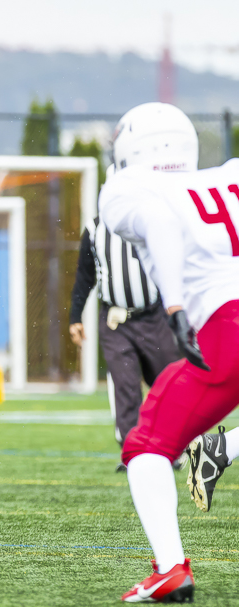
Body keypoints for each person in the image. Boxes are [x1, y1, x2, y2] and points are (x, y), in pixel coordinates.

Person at [99, 102, 239, 603]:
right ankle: (227, 448)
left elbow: (158, 217)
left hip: (226, 326)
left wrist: (176, 306)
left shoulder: (127, 189)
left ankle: (170, 568)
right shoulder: (231, 175)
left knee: (146, 445)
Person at [69, 216, 179, 471]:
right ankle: (133, 453)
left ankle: (170, 446)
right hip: (114, 320)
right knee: (125, 384)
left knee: (167, 381)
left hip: (153, 316)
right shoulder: (95, 228)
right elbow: (84, 275)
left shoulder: (151, 222)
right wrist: (75, 317)